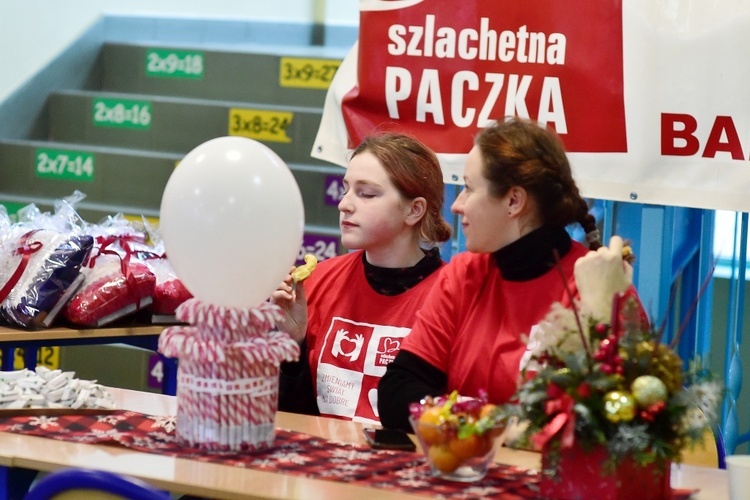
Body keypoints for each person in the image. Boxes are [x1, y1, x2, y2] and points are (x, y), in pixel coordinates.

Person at [377, 117, 642, 432]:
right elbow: (397, 393)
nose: (457, 205)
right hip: (467, 470)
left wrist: (459, 420)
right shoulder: (464, 273)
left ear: (514, 201)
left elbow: (616, 426)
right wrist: (493, 428)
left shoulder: (598, 285)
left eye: (468, 189)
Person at [271, 132, 453, 424]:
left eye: (366, 193)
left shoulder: (451, 296)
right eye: (346, 190)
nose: (344, 204)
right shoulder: (316, 282)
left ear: (414, 210)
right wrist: (293, 345)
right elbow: (291, 422)